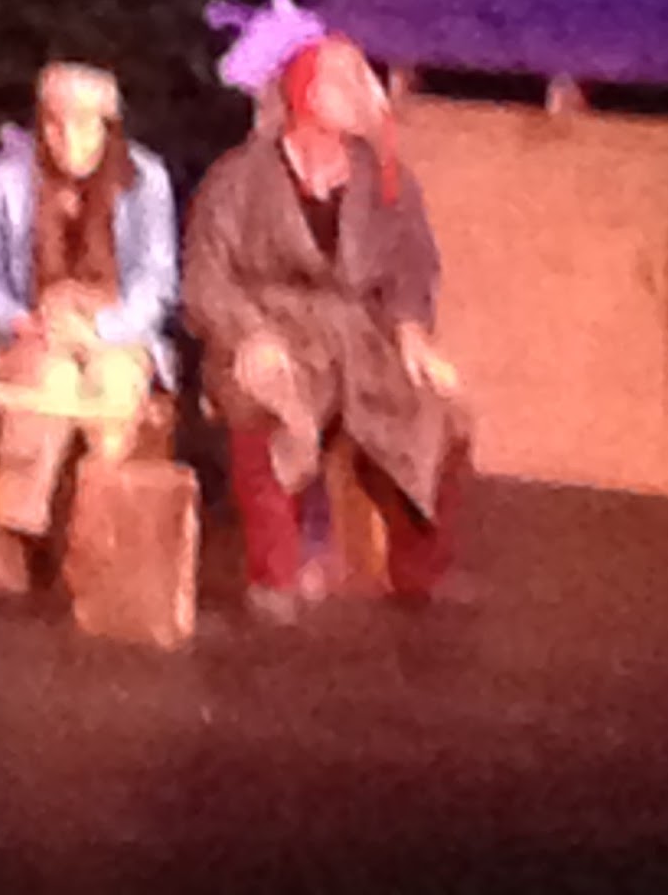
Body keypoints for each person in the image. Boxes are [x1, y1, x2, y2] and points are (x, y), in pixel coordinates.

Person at [181, 34, 470, 624]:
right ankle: (275, 575)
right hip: (269, 330)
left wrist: (412, 331)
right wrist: (248, 335)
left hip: (359, 339)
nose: (361, 91)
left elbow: (412, 266)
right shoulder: (239, 179)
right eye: (343, 79)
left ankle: (420, 573)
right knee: (264, 402)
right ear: (306, 93)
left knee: (436, 410)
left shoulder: (386, 182)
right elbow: (206, 278)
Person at [0, 62, 178, 599]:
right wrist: (22, 321)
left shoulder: (145, 179)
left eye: (83, 124)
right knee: (48, 386)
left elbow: (156, 281)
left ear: (108, 126)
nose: (67, 138)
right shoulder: (5, 180)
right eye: (55, 123)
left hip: (114, 330)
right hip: (34, 331)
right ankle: (15, 531)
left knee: (112, 393)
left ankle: (100, 536)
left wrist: (100, 329)